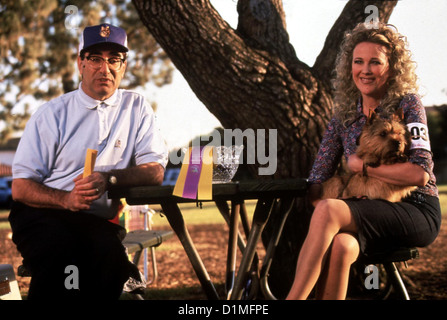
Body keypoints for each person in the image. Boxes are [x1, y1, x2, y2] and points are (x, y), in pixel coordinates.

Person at [9, 24, 168, 299]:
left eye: (113, 59)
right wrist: (65, 200)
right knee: (63, 255)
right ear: (80, 63)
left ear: (124, 66)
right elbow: (21, 188)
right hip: (42, 215)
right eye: (95, 58)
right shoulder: (52, 114)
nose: (104, 68)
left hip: (96, 222)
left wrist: (109, 179)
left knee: (108, 260)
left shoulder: (136, 108)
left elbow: (155, 171)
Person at [286, 23, 441, 300]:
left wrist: (365, 168)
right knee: (342, 245)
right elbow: (317, 181)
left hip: (414, 210)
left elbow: (420, 175)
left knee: (330, 210)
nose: (365, 70)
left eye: (375, 62)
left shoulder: (408, 104)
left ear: (392, 68)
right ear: (350, 68)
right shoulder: (343, 117)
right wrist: (343, 198)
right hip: (366, 212)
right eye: (358, 62)